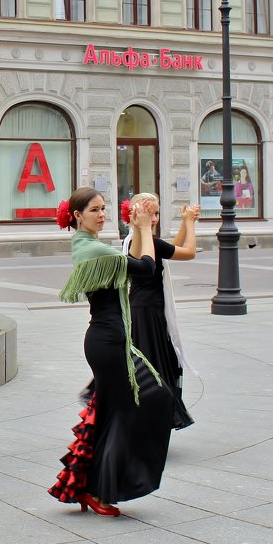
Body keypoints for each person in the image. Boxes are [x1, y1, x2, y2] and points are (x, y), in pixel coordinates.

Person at [48, 187, 173, 517]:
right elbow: (146, 268)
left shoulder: (91, 245)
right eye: (94, 210)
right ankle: (100, 492)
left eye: (104, 208)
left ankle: (90, 486)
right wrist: (143, 228)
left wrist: (138, 229)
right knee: (128, 411)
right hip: (106, 343)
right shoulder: (93, 250)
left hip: (112, 340)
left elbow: (140, 264)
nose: (102, 215)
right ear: (77, 216)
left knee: (125, 409)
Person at [124, 194, 199, 430]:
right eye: (150, 213)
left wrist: (185, 222)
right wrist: (188, 223)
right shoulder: (144, 240)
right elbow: (188, 252)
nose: (154, 219)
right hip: (147, 313)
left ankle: (151, 419)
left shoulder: (141, 240)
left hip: (146, 310)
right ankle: (150, 419)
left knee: (154, 363)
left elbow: (172, 248)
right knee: (153, 365)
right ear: (136, 214)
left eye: (157, 213)